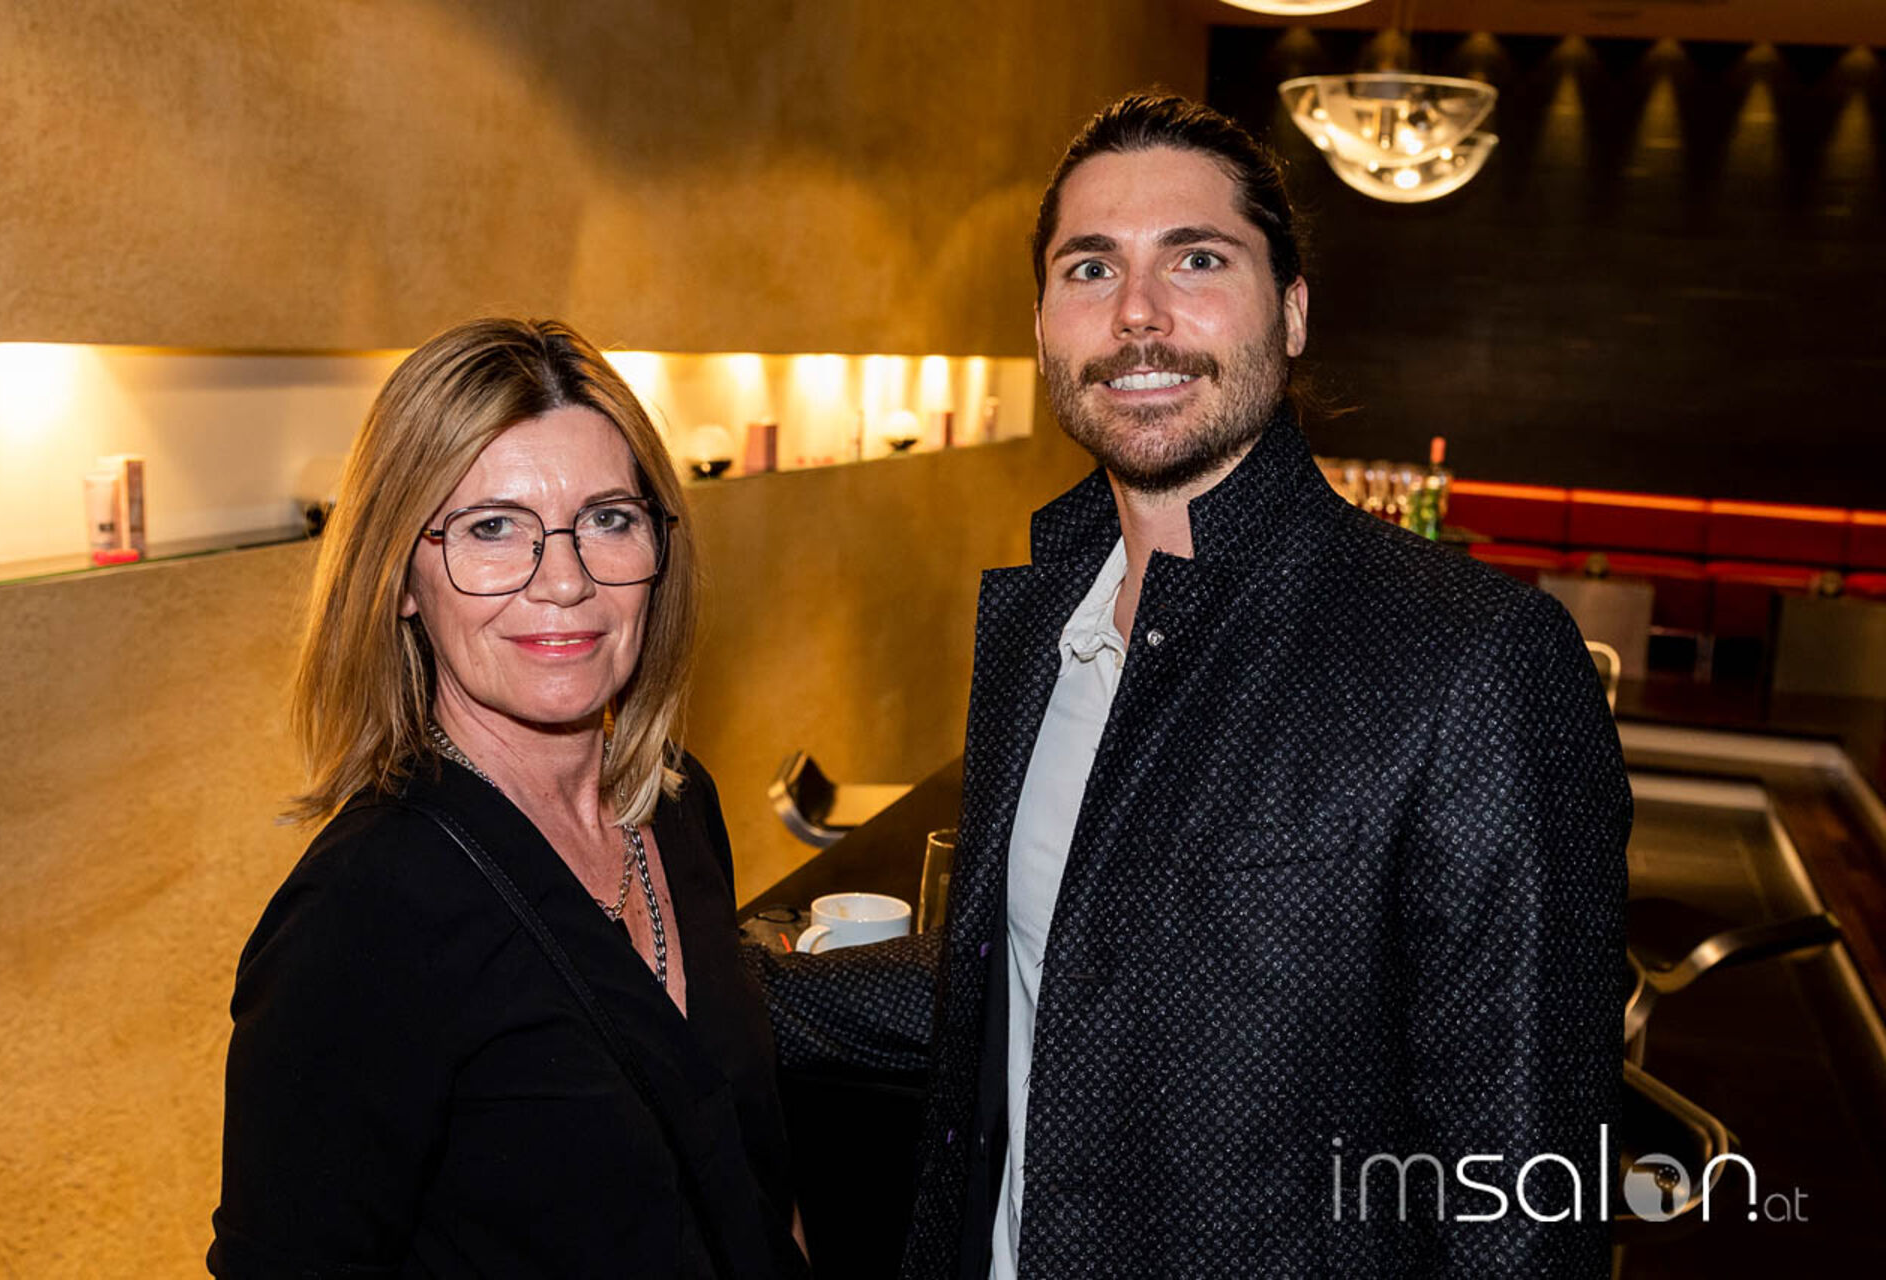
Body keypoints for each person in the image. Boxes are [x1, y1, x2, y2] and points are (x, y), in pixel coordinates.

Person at [897, 94, 1632, 1278]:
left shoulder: (1472, 658)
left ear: (1291, 312)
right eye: (1091, 268)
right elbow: (1019, 967)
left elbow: (1523, 1198)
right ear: (1041, 326)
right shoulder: (1042, 622)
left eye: (1197, 258)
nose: (1138, 312)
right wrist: (698, 972)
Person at [209, 318, 808, 1278]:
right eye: (492, 528)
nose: (565, 582)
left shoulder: (674, 804)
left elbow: (747, 1176)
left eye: (608, 519)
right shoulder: (362, 914)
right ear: (400, 578)